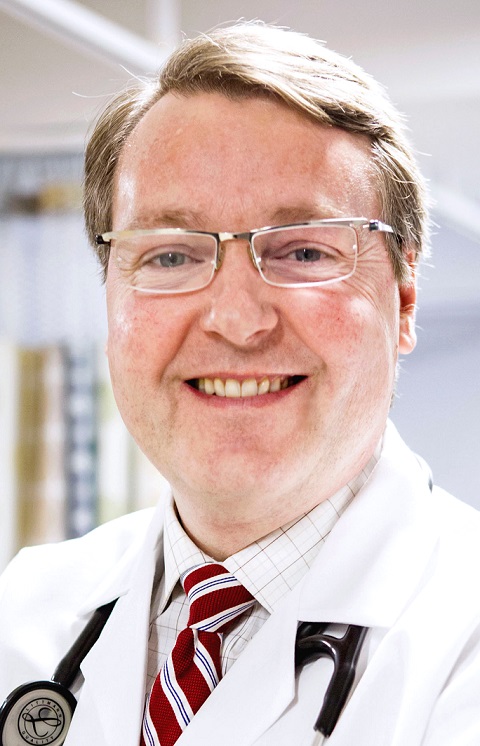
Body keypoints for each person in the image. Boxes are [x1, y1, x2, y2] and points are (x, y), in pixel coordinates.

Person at [1, 22, 479, 746]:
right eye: (170, 256)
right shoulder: (27, 611)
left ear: (404, 300)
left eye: (304, 251)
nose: (236, 320)